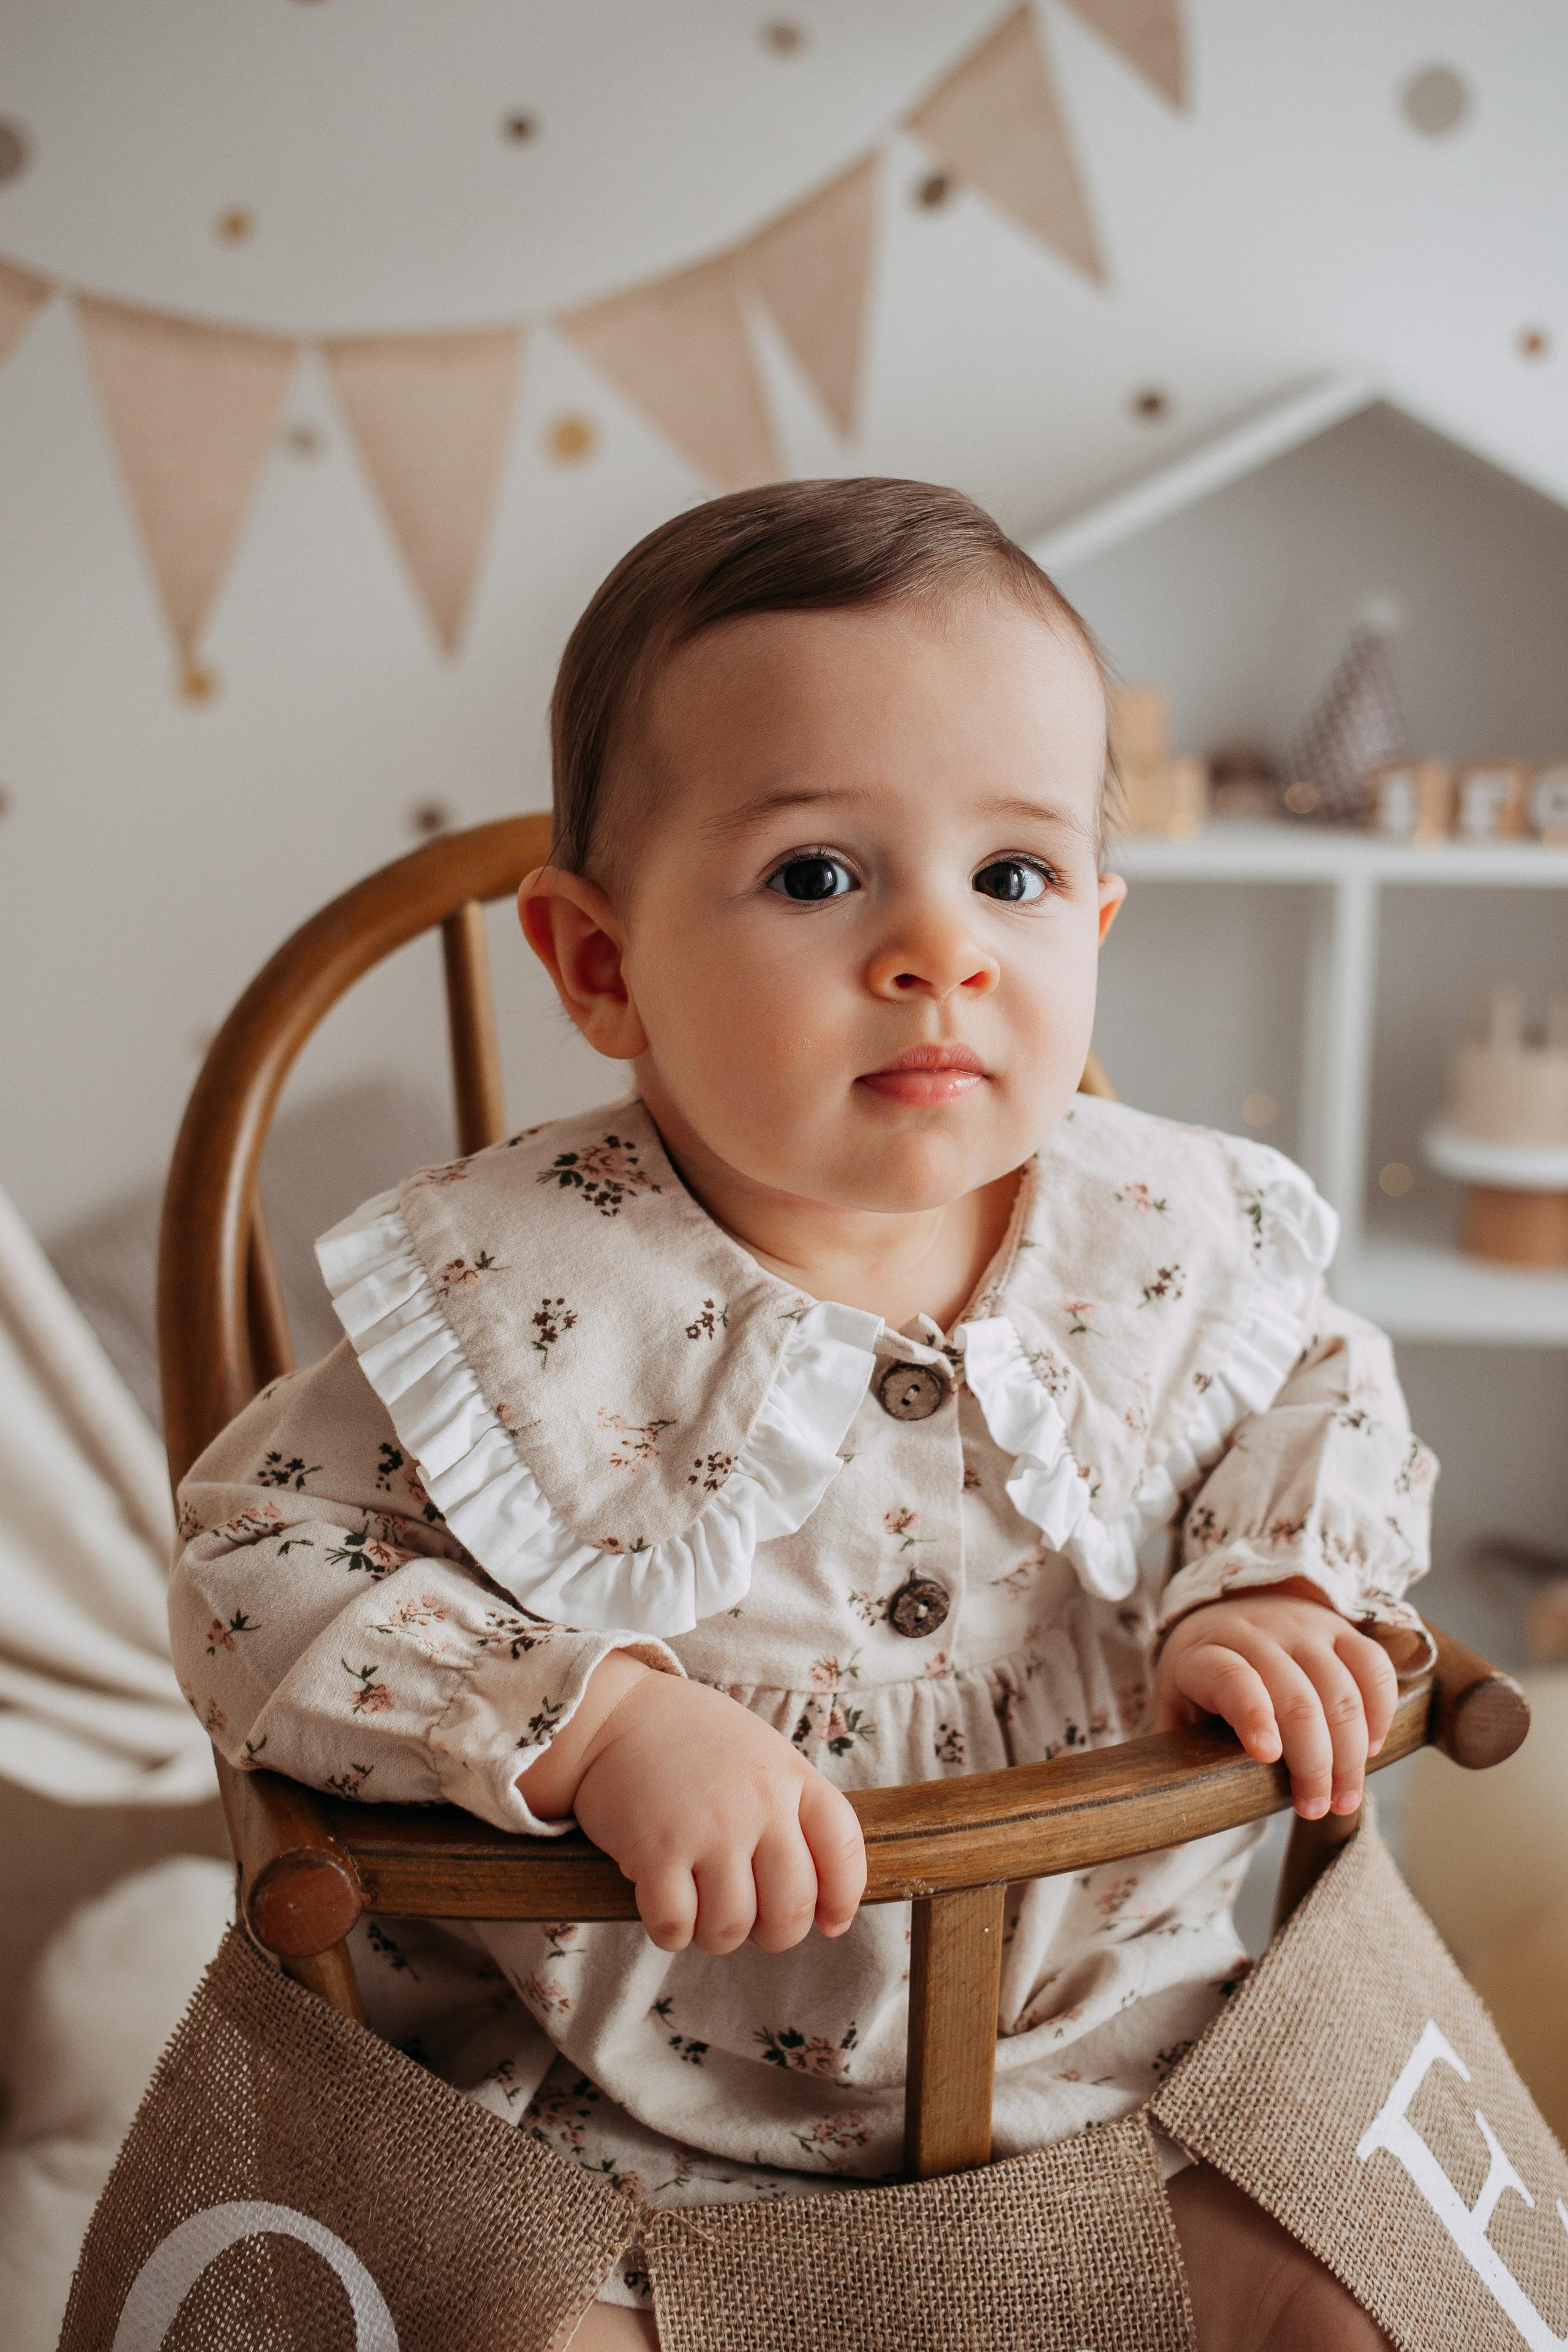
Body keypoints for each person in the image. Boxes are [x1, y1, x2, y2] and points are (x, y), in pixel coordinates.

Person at [172, 480, 1433, 2350]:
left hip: (1127, 2063)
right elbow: (252, 1568)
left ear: (1094, 917)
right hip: (614, 2115)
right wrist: (586, 1723)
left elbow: (1324, 1391)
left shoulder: (1167, 1234)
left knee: (1369, 2295)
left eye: (1011, 876)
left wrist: (1269, 1588)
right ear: (601, 965)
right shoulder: (510, 1293)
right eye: (820, 875)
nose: (943, 947)